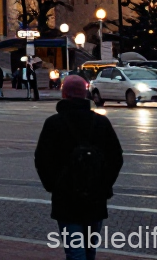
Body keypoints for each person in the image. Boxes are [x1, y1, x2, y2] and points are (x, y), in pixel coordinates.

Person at [34, 74, 124, 260]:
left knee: (75, 251)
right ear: (85, 95)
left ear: (64, 94)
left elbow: (42, 159)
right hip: (96, 195)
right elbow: (116, 157)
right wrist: (104, 183)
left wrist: (54, 185)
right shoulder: (100, 122)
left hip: (66, 196)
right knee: (89, 250)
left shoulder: (53, 123)